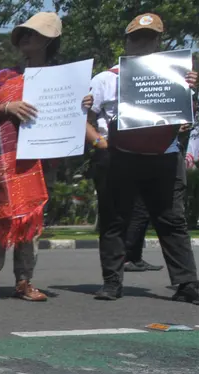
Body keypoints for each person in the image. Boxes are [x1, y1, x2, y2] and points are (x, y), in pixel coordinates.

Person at [0, 12, 86, 303]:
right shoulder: (0, 79)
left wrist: (82, 104)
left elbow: (72, 120)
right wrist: (5, 109)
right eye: (23, 33)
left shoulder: (65, 82)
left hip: (39, 164)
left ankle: (24, 281)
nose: (26, 37)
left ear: (49, 41)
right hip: (1, 162)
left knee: (31, 223)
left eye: (34, 33)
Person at [87, 13, 199, 303]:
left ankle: (187, 284)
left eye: (149, 38)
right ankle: (112, 282)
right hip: (120, 156)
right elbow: (84, 117)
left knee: (171, 220)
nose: (142, 43)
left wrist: (194, 89)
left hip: (165, 155)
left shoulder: (180, 76)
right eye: (137, 38)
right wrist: (99, 141)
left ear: (159, 41)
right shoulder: (104, 79)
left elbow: (188, 117)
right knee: (115, 220)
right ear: (126, 41)